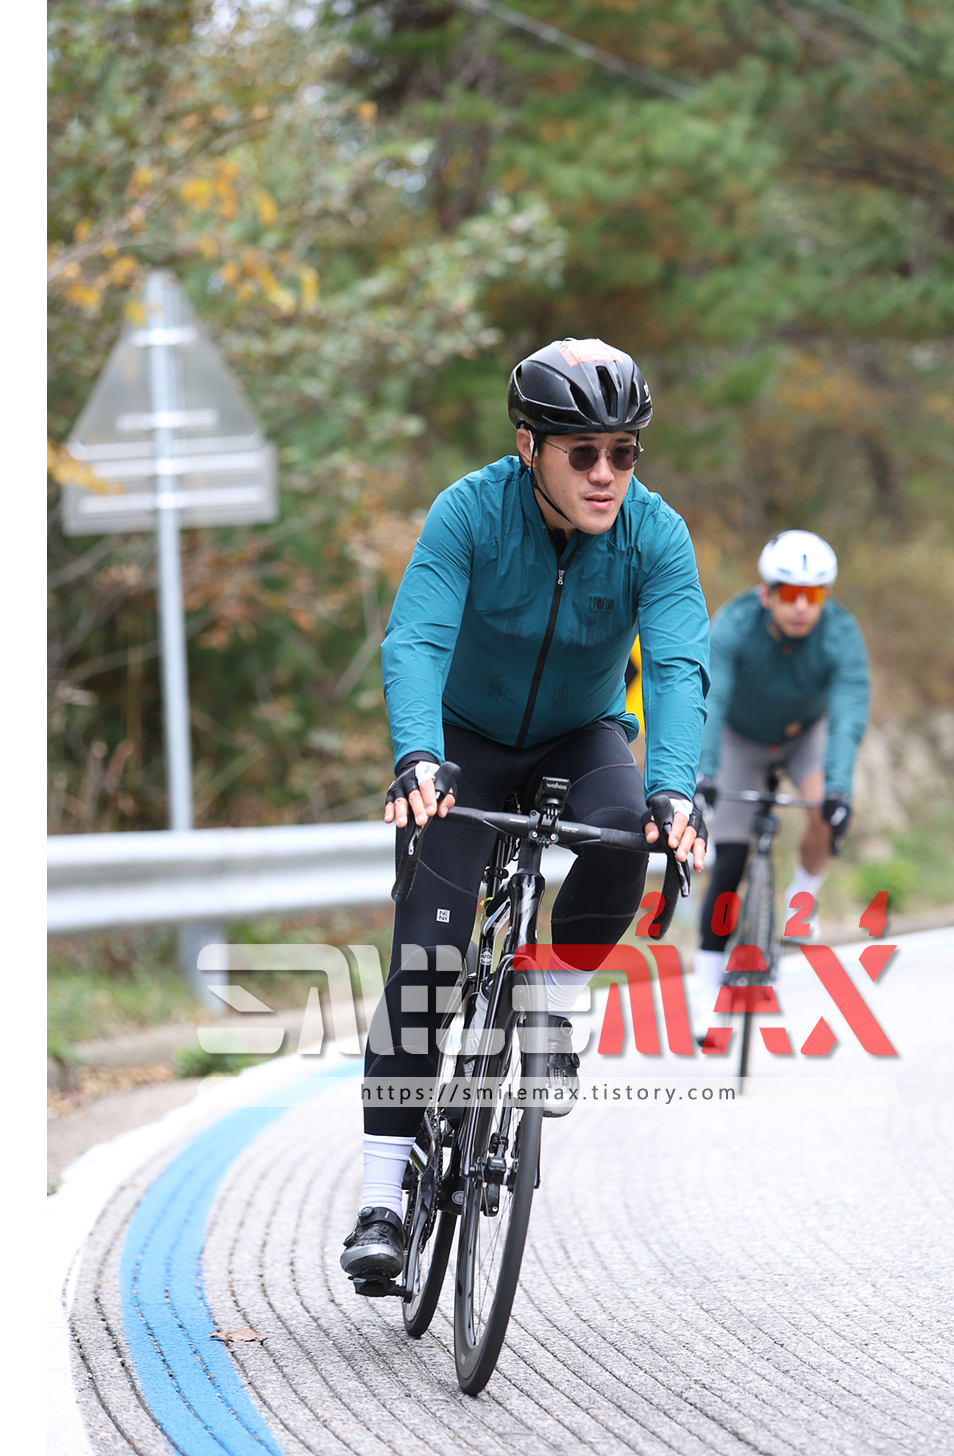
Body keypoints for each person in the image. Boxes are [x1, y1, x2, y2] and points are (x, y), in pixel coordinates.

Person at [340, 337, 711, 1283]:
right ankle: (382, 1196)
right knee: (426, 966)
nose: (605, 474)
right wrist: (418, 758)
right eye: (582, 453)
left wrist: (674, 786)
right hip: (464, 744)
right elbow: (417, 639)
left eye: (622, 453)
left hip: (582, 735)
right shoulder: (468, 513)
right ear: (528, 447)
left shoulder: (655, 535)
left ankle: (551, 1005)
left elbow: (677, 666)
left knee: (625, 835)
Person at [690, 530, 870, 1037]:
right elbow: (712, 700)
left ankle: (802, 899)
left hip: (804, 736)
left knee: (824, 809)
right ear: (766, 593)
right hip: (739, 738)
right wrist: (705, 773)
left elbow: (848, 715)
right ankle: (707, 990)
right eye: (789, 593)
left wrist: (838, 789)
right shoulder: (735, 624)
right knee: (729, 861)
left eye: (813, 595)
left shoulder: (841, 634)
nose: (801, 607)